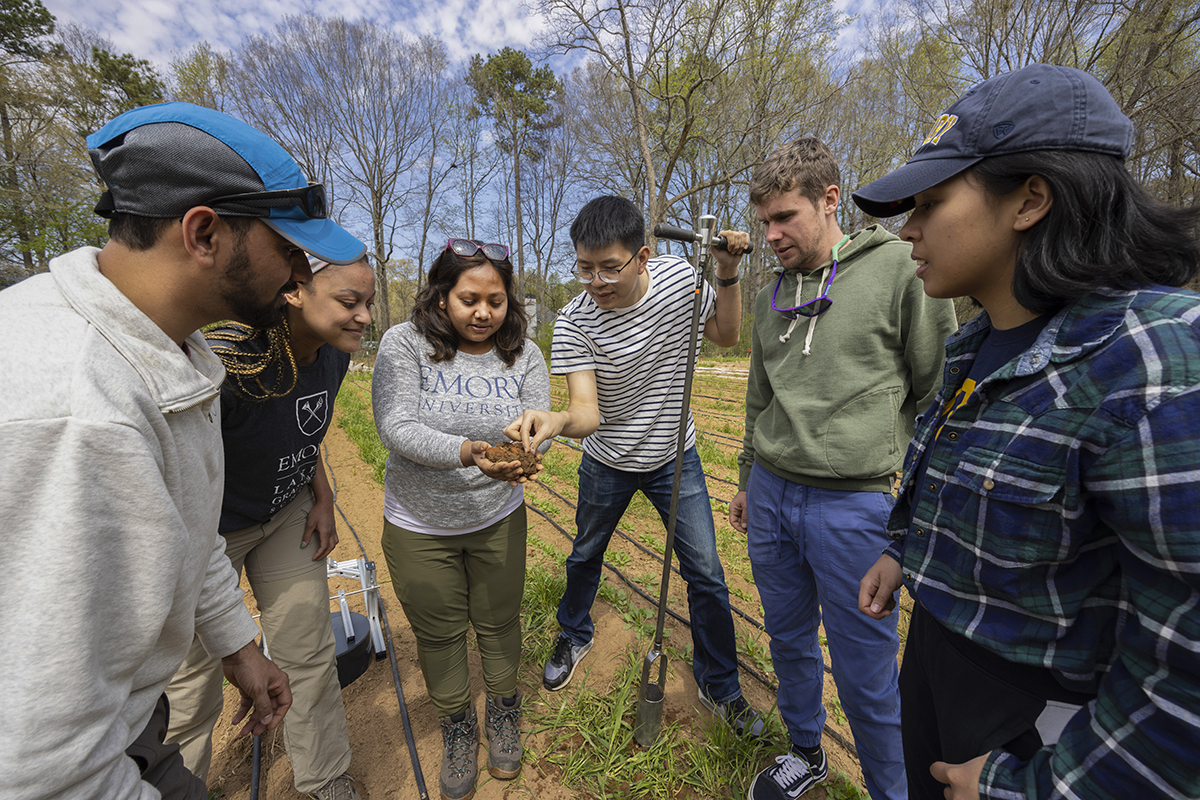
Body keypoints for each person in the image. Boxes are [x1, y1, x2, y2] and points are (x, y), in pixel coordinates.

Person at [0, 102, 367, 799]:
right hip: (100, 762)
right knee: (183, 706)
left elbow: (181, 526)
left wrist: (238, 645)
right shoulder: (80, 413)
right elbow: (41, 768)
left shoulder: (172, 351)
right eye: (287, 246)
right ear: (203, 233)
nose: (297, 270)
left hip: (119, 733)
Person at [854, 63, 1200, 800]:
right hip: (939, 666)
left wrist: (1034, 787)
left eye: (931, 201)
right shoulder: (977, 345)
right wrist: (904, 553)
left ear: (1031, 198)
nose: (908, 227)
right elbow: (958, 489)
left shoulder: (1154, 365)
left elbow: (1186, 674)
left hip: (1044, 729)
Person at [728, 137, 957, 800]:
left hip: (854, 507)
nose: (769, 234)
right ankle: (806, 750)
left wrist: (908, 512)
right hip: (771, 494)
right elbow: (759, 395)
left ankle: (893, 787)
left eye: (783, 218)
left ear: (831, 200)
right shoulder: (774, 294)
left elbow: (938, 394)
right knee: (788, 639)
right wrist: (746, 476)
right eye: (763, 220)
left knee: (866, 670)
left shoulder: (898, 270)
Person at [507, 195, 765, 737]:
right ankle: (574, 633)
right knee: (584, 554)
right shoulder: (575, 322)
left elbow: (725, 335)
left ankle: (722, 686)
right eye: (584, 267)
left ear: (643, 256)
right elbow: (586, 412)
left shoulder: (679, 281)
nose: (595, 281)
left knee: (708, 576)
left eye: (609, 267)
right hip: (607, 460)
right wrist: (555, 421)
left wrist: (728, 272)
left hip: (676, 457)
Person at [164, 255, 376, 800]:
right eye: (350, 302)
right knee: (193, 683)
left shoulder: (332, 353)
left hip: (286, 515)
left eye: (368, 303)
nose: (365, 317)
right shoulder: (228, 361)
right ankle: (174, 785)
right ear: (295, 292)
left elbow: (305, 429)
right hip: (209, 532)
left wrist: (323, 495)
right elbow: (180, 481)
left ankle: (326, 778)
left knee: (307, 654)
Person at [372, 239, 549, 800]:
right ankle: (456, 725)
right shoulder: (405, 344)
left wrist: (529, 446)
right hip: (420, 522)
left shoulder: (523, 352)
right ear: (441, 296)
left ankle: (501, 712)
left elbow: (538, 419)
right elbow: (395, 425)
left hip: (498, 514)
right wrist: (469, 451)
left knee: (499, 621)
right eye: (468, 299)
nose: (483, 313)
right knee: (441, 632)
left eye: (495, 301)